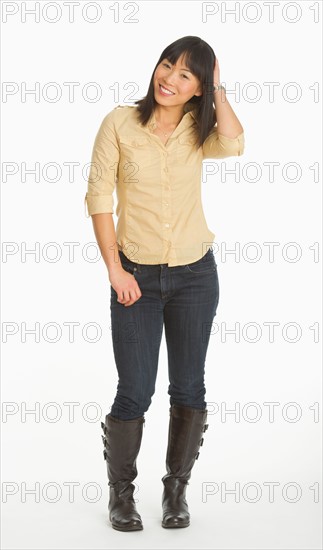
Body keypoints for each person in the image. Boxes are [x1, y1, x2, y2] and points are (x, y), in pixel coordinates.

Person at [84, 35, 244, 532]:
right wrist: (115, 269)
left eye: (186, 75)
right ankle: (121, 495)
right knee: (134, 390)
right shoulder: (119, 122)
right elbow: (98, 196)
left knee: (189, 386)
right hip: (135, 277)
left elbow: (236, 143)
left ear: (198, 87)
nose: (169, 79)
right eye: (167, 66)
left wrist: (219, 89)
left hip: (196, 275)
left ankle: (175, 491)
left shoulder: (200, 128)